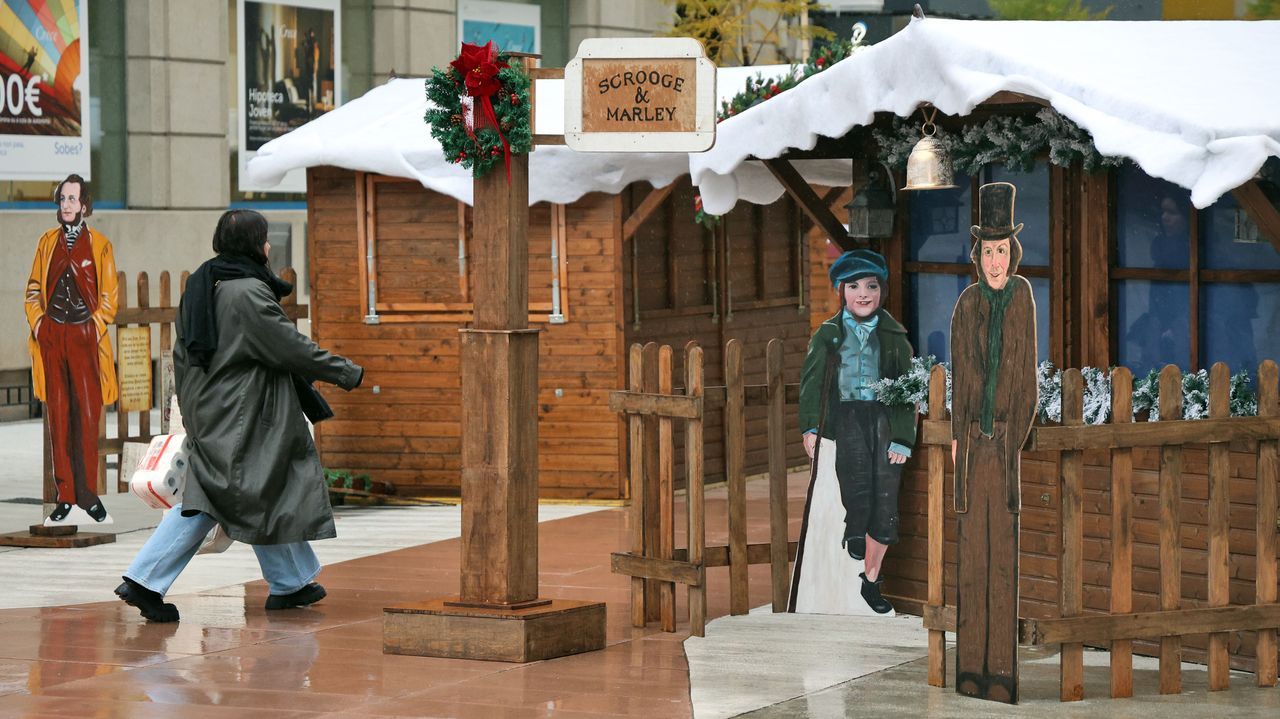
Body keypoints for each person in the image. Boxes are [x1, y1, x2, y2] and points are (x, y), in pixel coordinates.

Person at [116, 209, 364, 622]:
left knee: (255, 490)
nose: (268, 246)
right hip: (241, 415)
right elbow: (286, 345)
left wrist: (197, 410)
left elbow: (186, 357)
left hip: (216, 410)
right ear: (253, 244)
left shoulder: (205, 282)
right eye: (264, 239)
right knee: (224, 495)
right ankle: (144, 580)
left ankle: (290, 582)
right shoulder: (246, 291)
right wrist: (344, 370)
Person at [790, 248, 917, 616]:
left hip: (883, 417)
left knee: (885, 493)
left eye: (872, 286)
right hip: (846, 417)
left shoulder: (893, 337)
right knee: (856, 479)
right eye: (855, 286)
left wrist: (903, 435)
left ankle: (872, 579)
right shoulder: (829, 335)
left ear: (881, 291)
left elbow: (907, 388)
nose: (864, 294)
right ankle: (854, 530)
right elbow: (812, 381)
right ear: (841, 292)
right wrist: (811, 426)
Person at [950, 182, 1038, 704]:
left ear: (1013, 253)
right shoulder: (966, 305)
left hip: (1005, 444)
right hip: (973, 445)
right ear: (977, 256)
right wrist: (961, 435)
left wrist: (1014, 431)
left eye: (1002, 251)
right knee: (972, 553)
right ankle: (970, 667)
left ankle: (1000, 671)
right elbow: (962, 373)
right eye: (988, 251)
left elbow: (1023, 372)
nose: (996, 261)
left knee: (1002, 555)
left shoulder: (1023, 298)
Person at [25, 174, 118, 525]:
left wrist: (92, 329)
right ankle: (64, 496)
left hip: (84, 337)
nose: (66, 205)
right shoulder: (46, 242)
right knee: (59, 415)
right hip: (53, 335)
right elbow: (33, 289)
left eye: (73, 199)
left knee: (87, 415)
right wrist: (39, 325)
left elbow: (109, 297)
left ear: (84, 205)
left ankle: (88, 495)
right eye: (62, 198)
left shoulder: (101, 245)